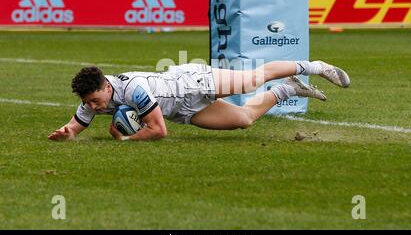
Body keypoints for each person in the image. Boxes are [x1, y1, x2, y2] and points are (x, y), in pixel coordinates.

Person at [48, 60, 350, 141]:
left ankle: (314, 67)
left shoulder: (134, 89)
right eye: (87, 103)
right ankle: (289, 88)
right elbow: (75, 127)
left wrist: (126, 140)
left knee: (252, 79)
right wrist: (66, 133)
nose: (93, 107)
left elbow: (158, 131)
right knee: (244, 120)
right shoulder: (92, 102)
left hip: (191, 83)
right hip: (184, 109)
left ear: (105, 87)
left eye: (94, 100)